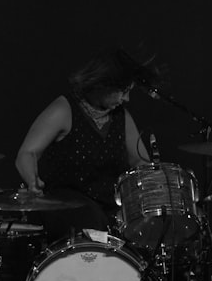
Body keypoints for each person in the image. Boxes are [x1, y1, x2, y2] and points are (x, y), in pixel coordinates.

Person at [14, 48, 155, 243]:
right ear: (103, 84)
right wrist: (32, 181)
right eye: (123, 91)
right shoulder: (65, 109)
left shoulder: (121, 116)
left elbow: (140, 159)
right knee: (90, 217)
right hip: (68, 207)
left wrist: (153, 184)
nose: (126, 99)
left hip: (109, 209)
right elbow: (27, 153)